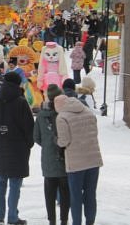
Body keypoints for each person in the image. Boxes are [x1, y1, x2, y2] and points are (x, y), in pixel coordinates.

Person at [0, 71, 35, 225]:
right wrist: (28, 143)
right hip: (19, 148)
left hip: (1, 145)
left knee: (0, 181)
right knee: (14, 183)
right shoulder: (21, 102)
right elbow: (29, 127)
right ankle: (12, 217)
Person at [55, 94, 103, 225]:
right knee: (90, 194)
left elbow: (64, 141)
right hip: (94, 160)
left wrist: (57, 141)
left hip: (76, 164)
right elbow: (94, 133)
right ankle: (90, 221)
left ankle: (77, 222)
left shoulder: (62, 117)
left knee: (76, 196)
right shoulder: (88, 111)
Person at [34, 85, 70, 225]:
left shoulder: (41, 115)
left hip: (48, 159)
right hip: (64, 157)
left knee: (49, 193)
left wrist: (47, 145)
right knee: (65, 191)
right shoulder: (64, 113)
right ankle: (64, 220)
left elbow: (36, 137)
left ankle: (51, 220)